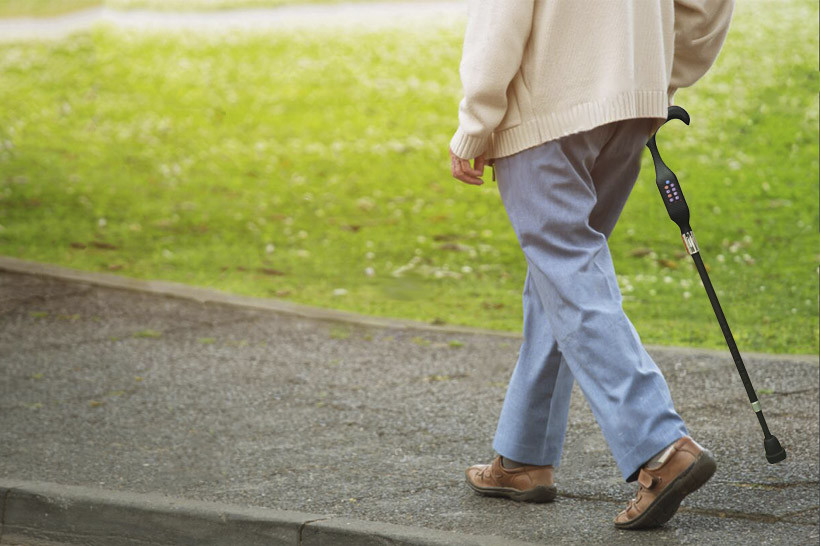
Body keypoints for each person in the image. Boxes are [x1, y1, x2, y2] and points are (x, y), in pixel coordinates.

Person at [449, 0, 734, 530]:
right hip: (630, 106)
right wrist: (652, 76)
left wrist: (476, 121)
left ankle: (661, 447)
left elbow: (500, 14)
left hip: (548, 110)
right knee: (560, 278)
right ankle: (522, 457)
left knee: (568, 273)